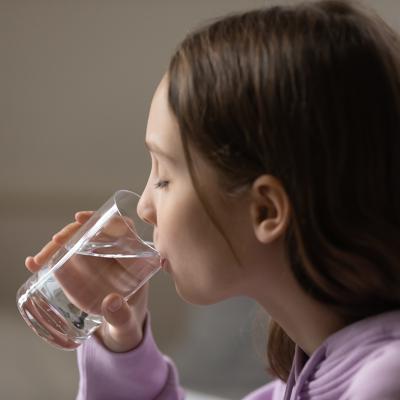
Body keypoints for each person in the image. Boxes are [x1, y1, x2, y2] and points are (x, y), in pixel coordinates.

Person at [25, 0, 400, 398]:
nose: (144, 206)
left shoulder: (383, 383)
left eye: (165, 177)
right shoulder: (301, 382)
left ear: (265, 210)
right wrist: (124, 339)